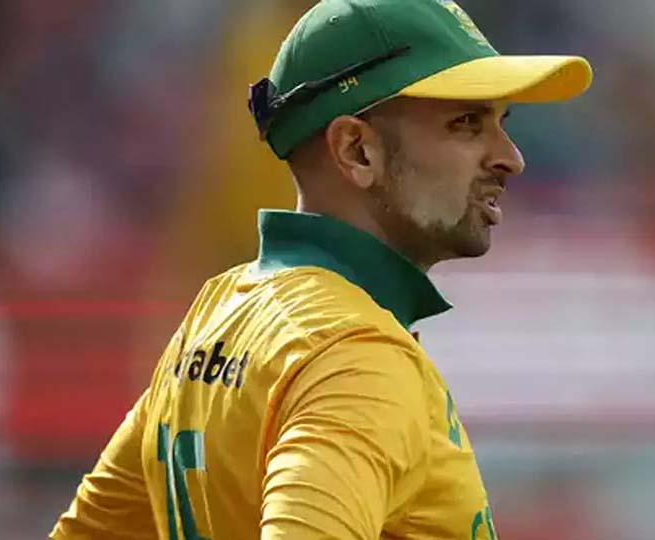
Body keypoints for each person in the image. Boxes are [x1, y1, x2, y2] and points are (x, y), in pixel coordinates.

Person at [50, 0, 592, 538]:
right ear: (357, 151)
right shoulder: (357, 355)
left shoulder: (218, 312)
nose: (510, 157)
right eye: (467, 124)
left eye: (501, 123)